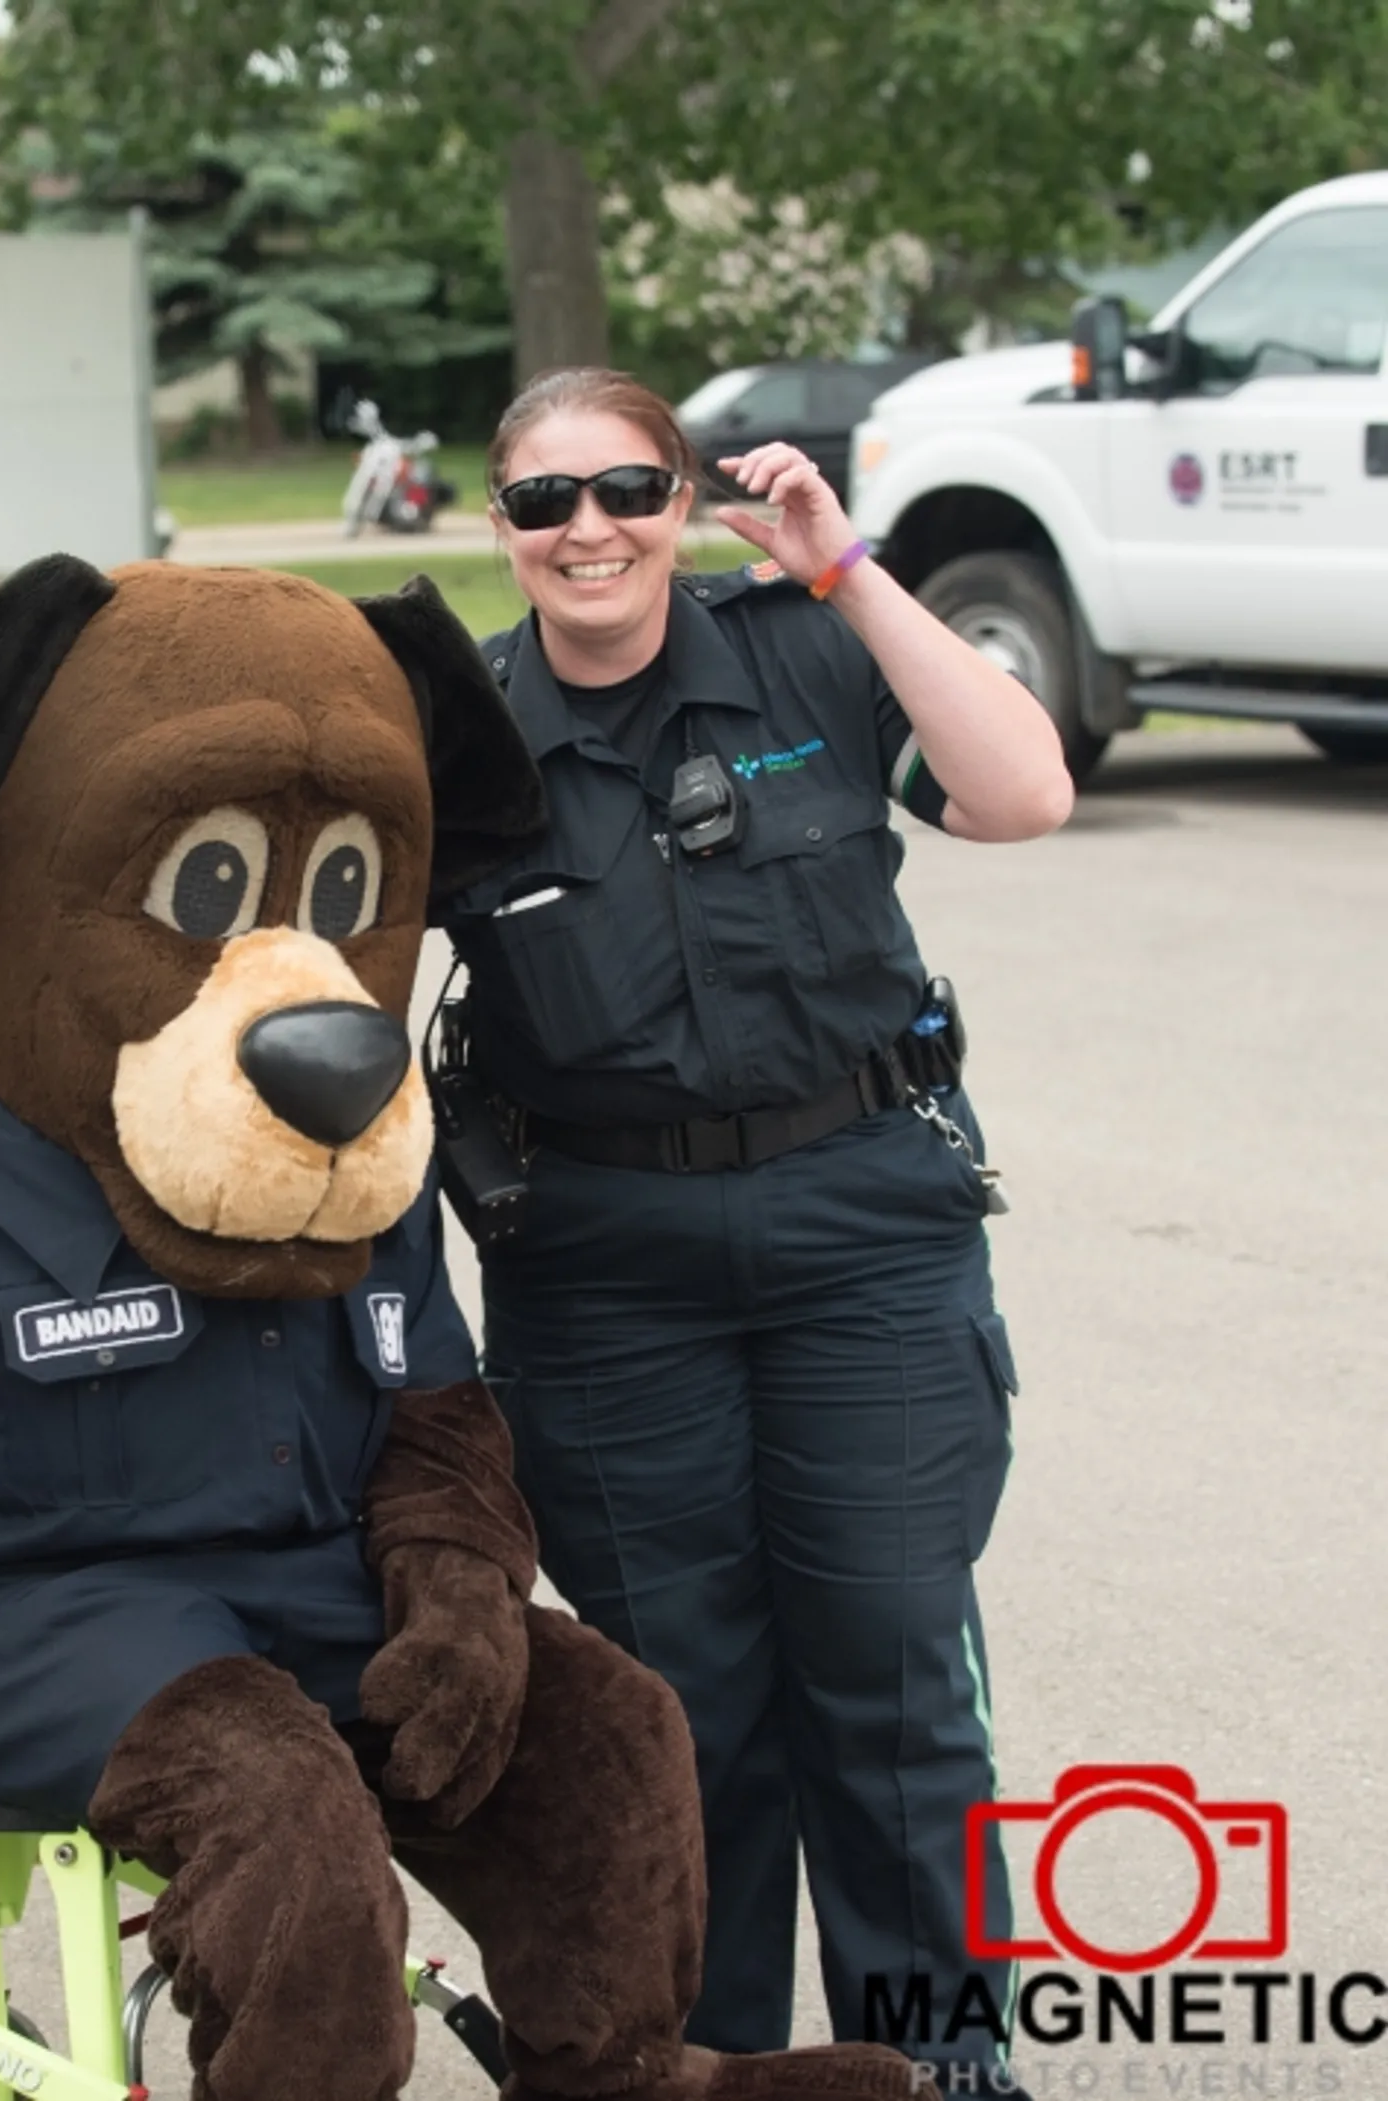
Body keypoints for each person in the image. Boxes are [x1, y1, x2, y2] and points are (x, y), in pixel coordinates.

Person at [434, 367, 1073, 2099]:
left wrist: (851, 569)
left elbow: (1024, 793)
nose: (591, 532)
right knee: (681, 1718)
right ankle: (707, 2074)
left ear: (680, 500)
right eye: (547, 503)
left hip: (863, 1229)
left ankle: (943, 2069)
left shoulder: (804, 644)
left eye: (629, 492)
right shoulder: (463, 737)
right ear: (498, 527)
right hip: (606, 1269)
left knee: (893, 1693)